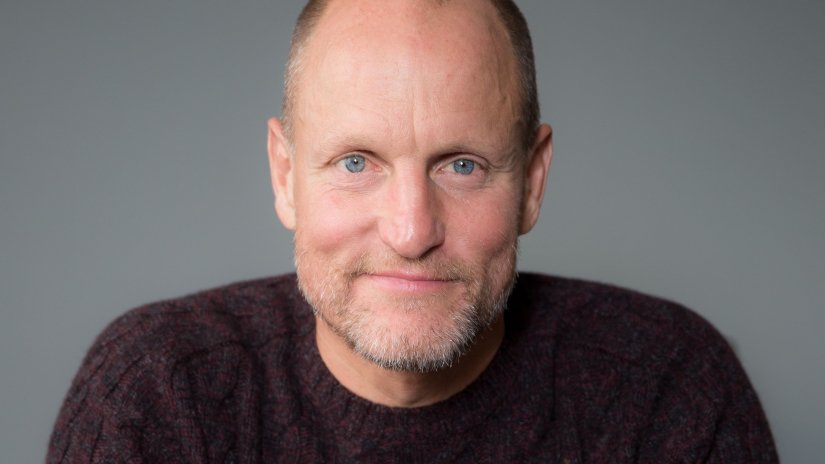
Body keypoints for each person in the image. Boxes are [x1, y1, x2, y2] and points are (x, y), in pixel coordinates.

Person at [48, 0, 778, 462]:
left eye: (461, 165)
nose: (410, 231)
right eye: (356, 162)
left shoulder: (664, 386)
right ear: (285, 175)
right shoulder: (159, 392)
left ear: (531, 182)